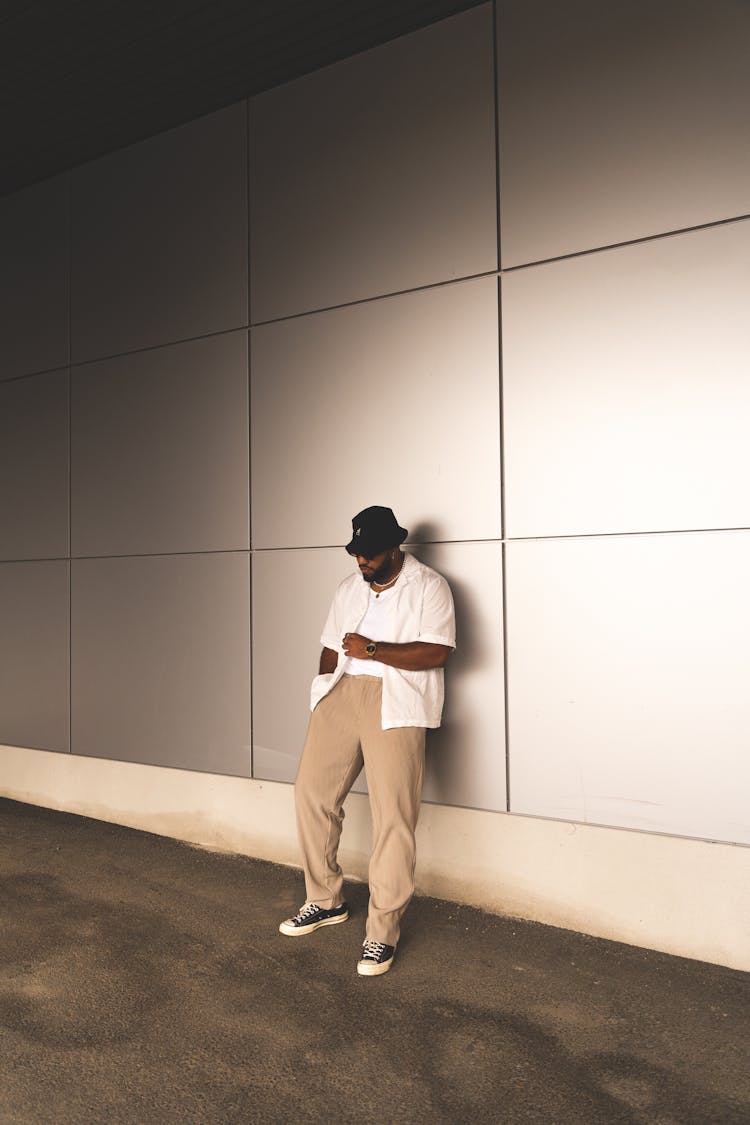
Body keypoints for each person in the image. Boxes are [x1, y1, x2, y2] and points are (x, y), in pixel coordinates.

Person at [279, 505, 456, 976]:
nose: (363, 563)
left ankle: (381, 934)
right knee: (311, 794)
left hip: (395, 698)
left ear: (394, 547)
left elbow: (438, 650)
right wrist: (324, 696)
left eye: (371, 555)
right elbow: (330, 645)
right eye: (357, 554)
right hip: (343, 692)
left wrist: (374, 650)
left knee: (393, 816)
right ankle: (324, 900)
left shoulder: (429, 587)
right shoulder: (348, 588)